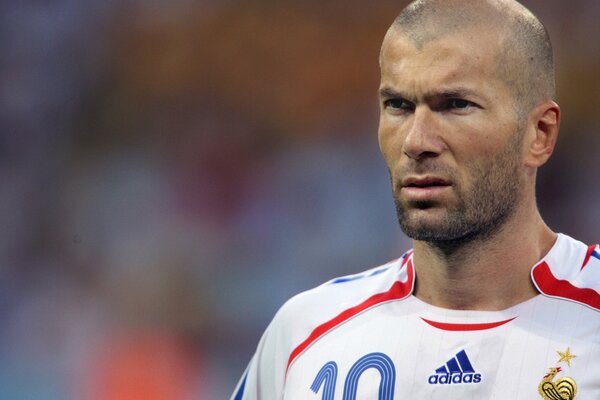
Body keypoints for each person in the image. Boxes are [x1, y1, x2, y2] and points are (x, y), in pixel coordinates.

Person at [231, 0, 600, 398]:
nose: (416, 142)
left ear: (539, 134)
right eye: (398, 106)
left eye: (456, 105)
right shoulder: (305, 334)